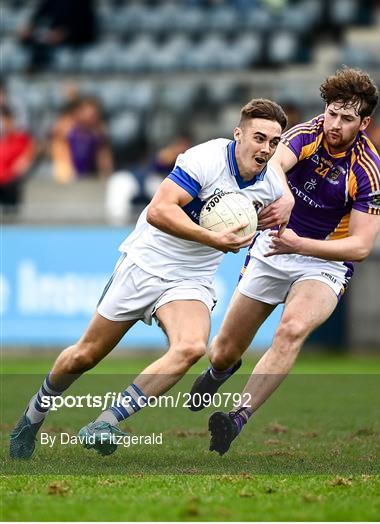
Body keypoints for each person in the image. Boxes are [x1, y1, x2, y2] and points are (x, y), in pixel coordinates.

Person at [10, 98, 293, 459]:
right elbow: (160, 211)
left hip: (191, 277)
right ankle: (33, 416)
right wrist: (214, 239)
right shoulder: (204, 159)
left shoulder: (270, 186)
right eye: (258, 137)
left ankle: (107, 421)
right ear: (238, 134)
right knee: (84, 355)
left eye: (274, 142)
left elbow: (282, 196)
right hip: (146, 262)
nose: (265, 148)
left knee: (191, 348)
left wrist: (289, 204)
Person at [188, 68, 380, 456]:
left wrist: (303, 245)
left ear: (364, 123)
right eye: (332, 113)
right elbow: (276, 162)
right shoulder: (305, 135)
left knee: (291, 330)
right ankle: (219, 372)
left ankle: (236, 418)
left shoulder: (368, 170)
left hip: (323, 262)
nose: (335, 124)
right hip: (275, 246)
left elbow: (361, 246)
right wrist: (287, 200)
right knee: (224, 350)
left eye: (347, 119)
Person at [106, 134, 193, 225]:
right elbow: (160, 161)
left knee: (166, 193)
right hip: (140, 179)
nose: (182, 148)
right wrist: (173, 153)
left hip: (161, 184)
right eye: (180, 145)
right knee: (118, 186)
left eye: (185, 145)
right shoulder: (166, 155)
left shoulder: (192, 164)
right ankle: (117, 229)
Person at [18, 0, 97, 71]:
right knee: (31, 39)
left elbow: (87, 24)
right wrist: (30, 26)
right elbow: (41, 12)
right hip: (54, 35)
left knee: (47, 47)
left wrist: (65, 33)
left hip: (76, 38)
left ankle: (38, 69)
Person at [51, 96, 113, 183]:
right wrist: (66, 174)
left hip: (91, 176)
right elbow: (59, 153)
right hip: (69, 176)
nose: (91, 116)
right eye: (87, 112)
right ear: (78, 112)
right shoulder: (65, 127)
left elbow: (103, 157)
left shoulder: (99, 131)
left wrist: (105, 175)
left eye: (94, 114)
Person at [0, 106, 35, 212]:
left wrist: (25, 161)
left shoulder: (22, 139)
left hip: (12, 185)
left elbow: (29, 156)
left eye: (6, 120)